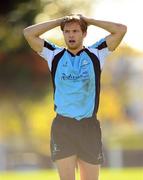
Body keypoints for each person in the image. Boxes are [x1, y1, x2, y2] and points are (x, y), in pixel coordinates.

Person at [23, 14, 127, 180]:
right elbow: (29, 33)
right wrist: (60, 21)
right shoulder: (54, 55)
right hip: (63, 127)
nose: (71, 35)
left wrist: (89, 20)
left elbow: (121, 30)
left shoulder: (97, 53)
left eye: (75, 31)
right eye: (67, 31)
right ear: (63, 33)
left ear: (84, 33)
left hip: (89, 127)